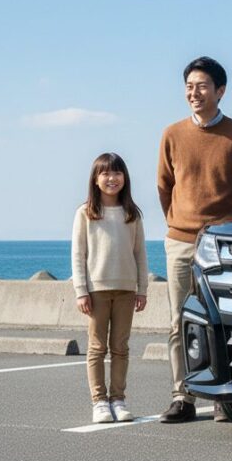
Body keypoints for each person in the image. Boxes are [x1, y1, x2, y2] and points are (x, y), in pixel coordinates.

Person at [157, 56, 232, 423]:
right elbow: (164, 187)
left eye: (201, 86)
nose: (194, 93)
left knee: (224, 320)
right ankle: (181, 395)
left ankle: (221, 395)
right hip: (182, 241)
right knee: (178, 321)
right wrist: (180, 225)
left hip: (225, 242)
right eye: (189, 87)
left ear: (220, 90)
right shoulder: (172, 134)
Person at [71, 152, 149, 424]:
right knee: (96, 348)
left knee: (120, 347)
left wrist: (142, 289)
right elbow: (78, 254)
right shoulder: (86, 213)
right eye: (105, 173)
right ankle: (99, 401)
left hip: (126, 289)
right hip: (96, 290)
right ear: (95, 179)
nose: (111, 178)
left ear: (125, 178)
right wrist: (81, 290)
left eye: (116, 173)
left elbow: (140, 254)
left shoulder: (132, 213)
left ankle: (118, 398)